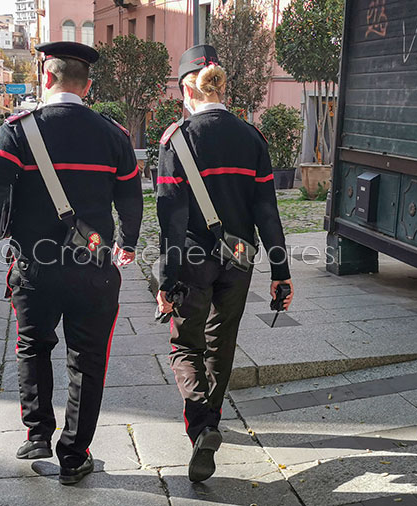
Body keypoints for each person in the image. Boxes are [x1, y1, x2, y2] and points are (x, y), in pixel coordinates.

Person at [0, 41, 143, 485]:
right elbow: (130, 197)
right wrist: (128, 243)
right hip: (94, 267)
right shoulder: (113, 135)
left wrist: (3, 229)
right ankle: (74, 455)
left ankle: (37, 434)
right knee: (88, 360)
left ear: (46, 78)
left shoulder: (16, 131)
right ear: (87, 85)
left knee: (33, 346)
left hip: (34, 266)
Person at [155, 44, 293, 483]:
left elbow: (170, 218)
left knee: (184, 344)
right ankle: (212, 419)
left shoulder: (176, 139)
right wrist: (282, 273)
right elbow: (268, 212)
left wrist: (166, 279)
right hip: (240, 258)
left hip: (193, 257)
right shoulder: (252, 138)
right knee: (222, 341)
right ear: (221, 86)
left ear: (185, 90)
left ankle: (200, 425)